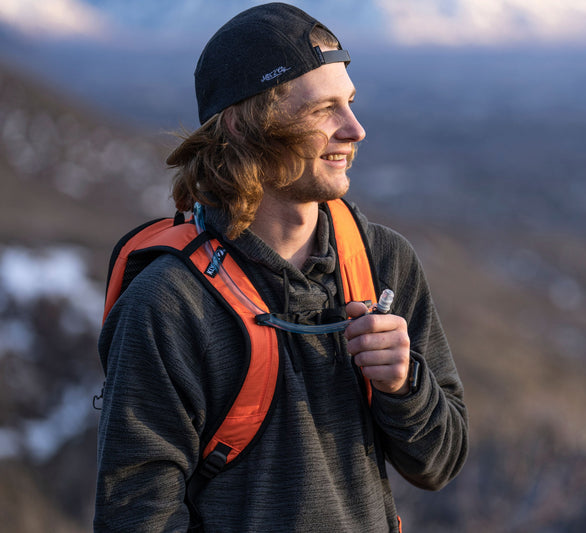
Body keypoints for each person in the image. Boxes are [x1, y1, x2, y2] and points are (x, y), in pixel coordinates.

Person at [94, 3, 468, 532]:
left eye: (351, 103)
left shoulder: (383, 261)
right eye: (323, 110)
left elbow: (441, 463)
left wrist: (403, 385)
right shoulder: (169, 302)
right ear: (246, 126)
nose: (355, 129)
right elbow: (136, 518)